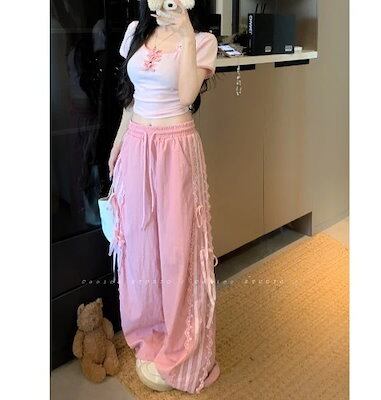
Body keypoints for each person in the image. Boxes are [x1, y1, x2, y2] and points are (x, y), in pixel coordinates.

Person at [107, 0, 220, 395]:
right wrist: (118, 144)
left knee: (177, 250)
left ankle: (181, 342)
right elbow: (131, 98)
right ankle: (149, 328)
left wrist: (186, 32)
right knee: (140, 246)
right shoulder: (136, 32)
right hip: (137, 144)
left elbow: (187, 95)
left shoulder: (202, 40)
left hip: (175, 149)